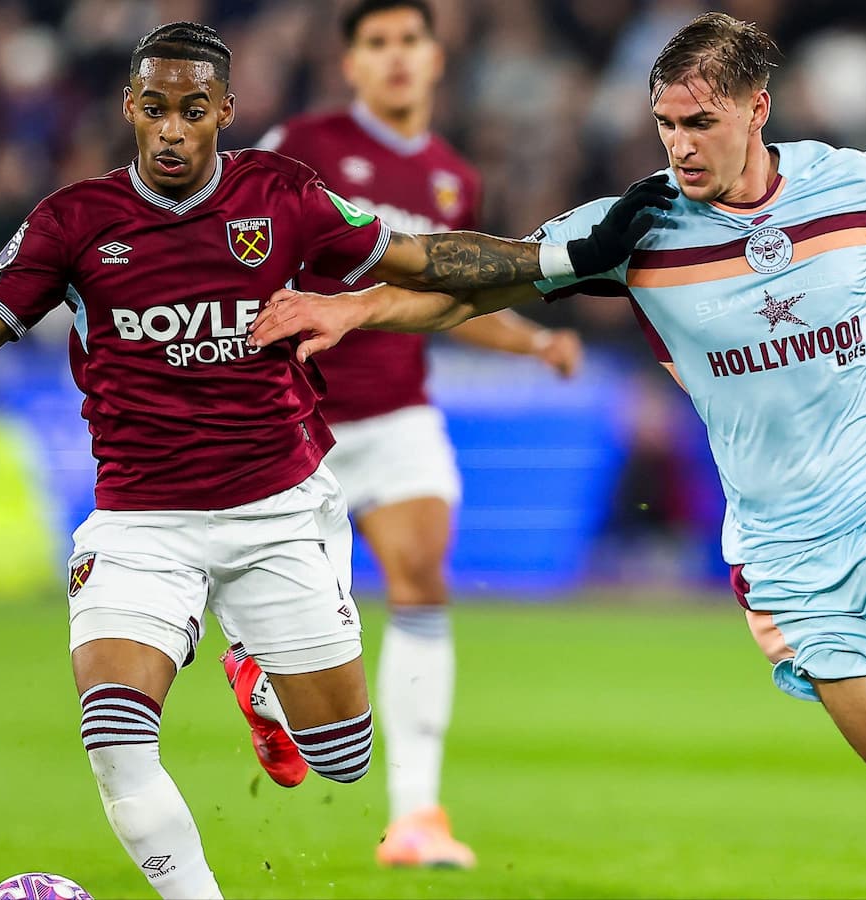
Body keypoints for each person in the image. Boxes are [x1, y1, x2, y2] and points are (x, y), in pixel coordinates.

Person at [246, 13, 866, 900]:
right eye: (665, 125)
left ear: (756, 109)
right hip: (790, 546)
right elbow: (479, 279)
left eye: (700, 123)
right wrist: (355, 305)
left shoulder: (846, 182)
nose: (681, 146)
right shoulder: (635, 229)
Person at [0, 21, 669, 900]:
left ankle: (256, 673)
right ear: (128, 107)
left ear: (224, 112)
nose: (169, 129)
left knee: (344, 757)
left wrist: (571, 257)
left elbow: (424, 259)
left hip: (276, 510)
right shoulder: (74, 222)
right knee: (115, 736)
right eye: (153, 108)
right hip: (140, 524)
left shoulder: (283, 197)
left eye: (191, 110)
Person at [219, 0, 581, 869]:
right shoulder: (297, 145)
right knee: (317, 630)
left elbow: (449, 300)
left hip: (401, 413)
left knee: (423, 577)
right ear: (350, 64)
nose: (394, 58)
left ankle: (417, 815)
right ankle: (261, 678)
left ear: (434, 57)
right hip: (301, 418)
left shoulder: (452, 178)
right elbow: (234, 246)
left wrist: (533, 339)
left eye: (408, 41)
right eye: (375, 44)